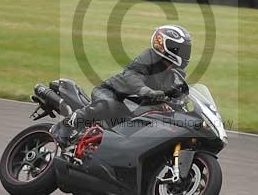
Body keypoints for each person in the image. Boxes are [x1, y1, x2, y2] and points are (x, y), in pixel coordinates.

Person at [60, 25, 192, 144]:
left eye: (186, 50)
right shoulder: (149, 58)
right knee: (108, 104)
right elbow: (131, 75)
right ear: (166, 46)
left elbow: (180, 96)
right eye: (181, 49)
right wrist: (145, 90)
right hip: (110, 92)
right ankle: (67, 125)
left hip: (132, 107)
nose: (185, 53)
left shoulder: (176, 74)